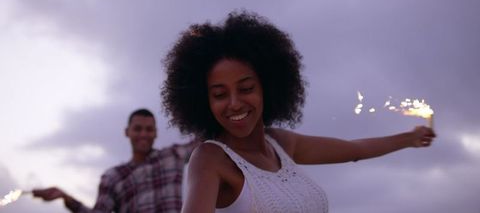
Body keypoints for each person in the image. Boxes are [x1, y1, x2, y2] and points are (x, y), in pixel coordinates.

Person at [160, 11, 436, 213]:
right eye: (220, 94)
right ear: (202, 101)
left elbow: (355, 150)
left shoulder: (281, 143)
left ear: (268, 86)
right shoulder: (211, 159)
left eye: (245, 88)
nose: (234, 103)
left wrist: (409, 139)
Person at [32, 108, 199, 213]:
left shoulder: (172, 156)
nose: (143, 134)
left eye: (149, 129)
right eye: (137, 129)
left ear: (155, 133)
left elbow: (204, 140)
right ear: (127, 132)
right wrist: (66, 198)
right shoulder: (113, 177)